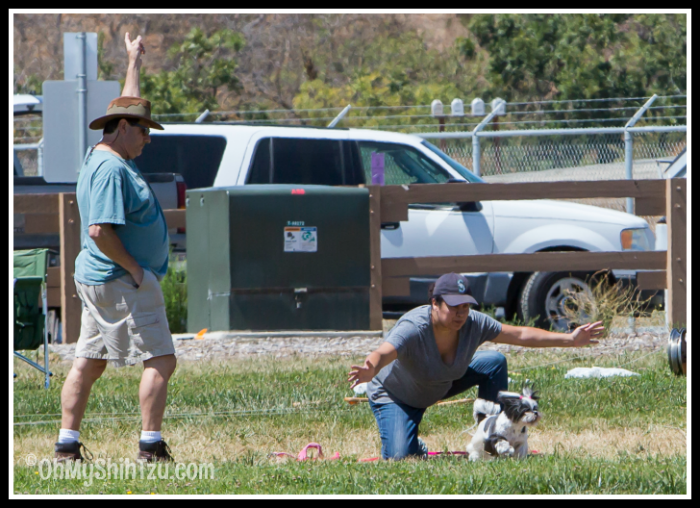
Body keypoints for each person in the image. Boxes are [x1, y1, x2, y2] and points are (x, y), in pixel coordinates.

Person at [54, 33, 177, 463]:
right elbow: (99, 230)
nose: (149, 138)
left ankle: (66, 447)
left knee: (89, 362)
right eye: (144, 130)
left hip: (100, 278)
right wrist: (136, 270)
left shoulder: (109, 153)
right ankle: (150, 447)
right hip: (120, 278)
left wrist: (133, 61)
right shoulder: (110, 170)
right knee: (161, 358)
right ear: (123, 129)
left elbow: (128, 103)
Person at [347, 272, 603, 460]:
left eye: (466, 306)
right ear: (434, 304)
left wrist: (569, 339)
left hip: (441, 382)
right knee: (401, 457)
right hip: (398, 396)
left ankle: (493, 441)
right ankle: (414, 444)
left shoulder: (474, 323)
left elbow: (519, 334)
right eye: (454, 306)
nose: (461, 313)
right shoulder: (413, 326)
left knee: (494, 362)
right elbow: (385, 351)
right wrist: (371, 367)